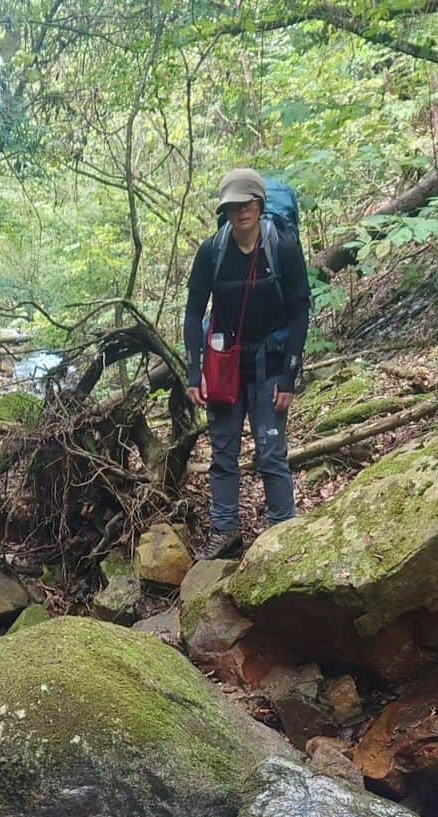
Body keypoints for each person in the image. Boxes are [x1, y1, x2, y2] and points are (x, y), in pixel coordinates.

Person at [184, 168, 311, 560]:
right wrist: (194, 371)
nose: (243, 211)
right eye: (235, 205)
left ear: (260, 204)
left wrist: (289, 375)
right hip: (225, 365)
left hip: (271, 363)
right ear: (226, 210)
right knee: (223, 453)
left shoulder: (282, 247)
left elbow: (299, 312)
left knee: (271, 452)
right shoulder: (211, 252)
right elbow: (192, 314)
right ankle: (224, 532)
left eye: (249, 203)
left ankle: (283, 531)